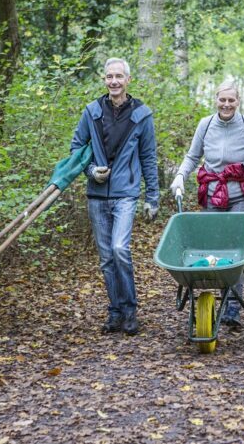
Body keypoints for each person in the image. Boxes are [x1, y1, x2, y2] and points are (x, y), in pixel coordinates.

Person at [170, 81, 244, 327]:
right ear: (216, 100)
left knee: (235, 248)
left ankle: (232, 306)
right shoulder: (205, 125)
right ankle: (212, 299)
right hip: (213, 194)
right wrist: (180, 175)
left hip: (241, 196)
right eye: (222, 100)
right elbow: (193, 156)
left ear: (238, 101)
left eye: (231, 100)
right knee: (214, 247)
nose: (226, 105)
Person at [70, 57, 159, 336]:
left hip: (126, 193)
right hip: (96, 194)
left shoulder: (142, 114)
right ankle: (115, 311)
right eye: (109, 76)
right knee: (107, 258)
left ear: (128, 80)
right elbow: (76, 148)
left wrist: (152, 197)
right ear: (104, 80)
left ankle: (130, 310)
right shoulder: (92, 111)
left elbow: (148, 157)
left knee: (120, 249)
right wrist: (91, 171)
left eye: (119, 76)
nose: (114, 81)